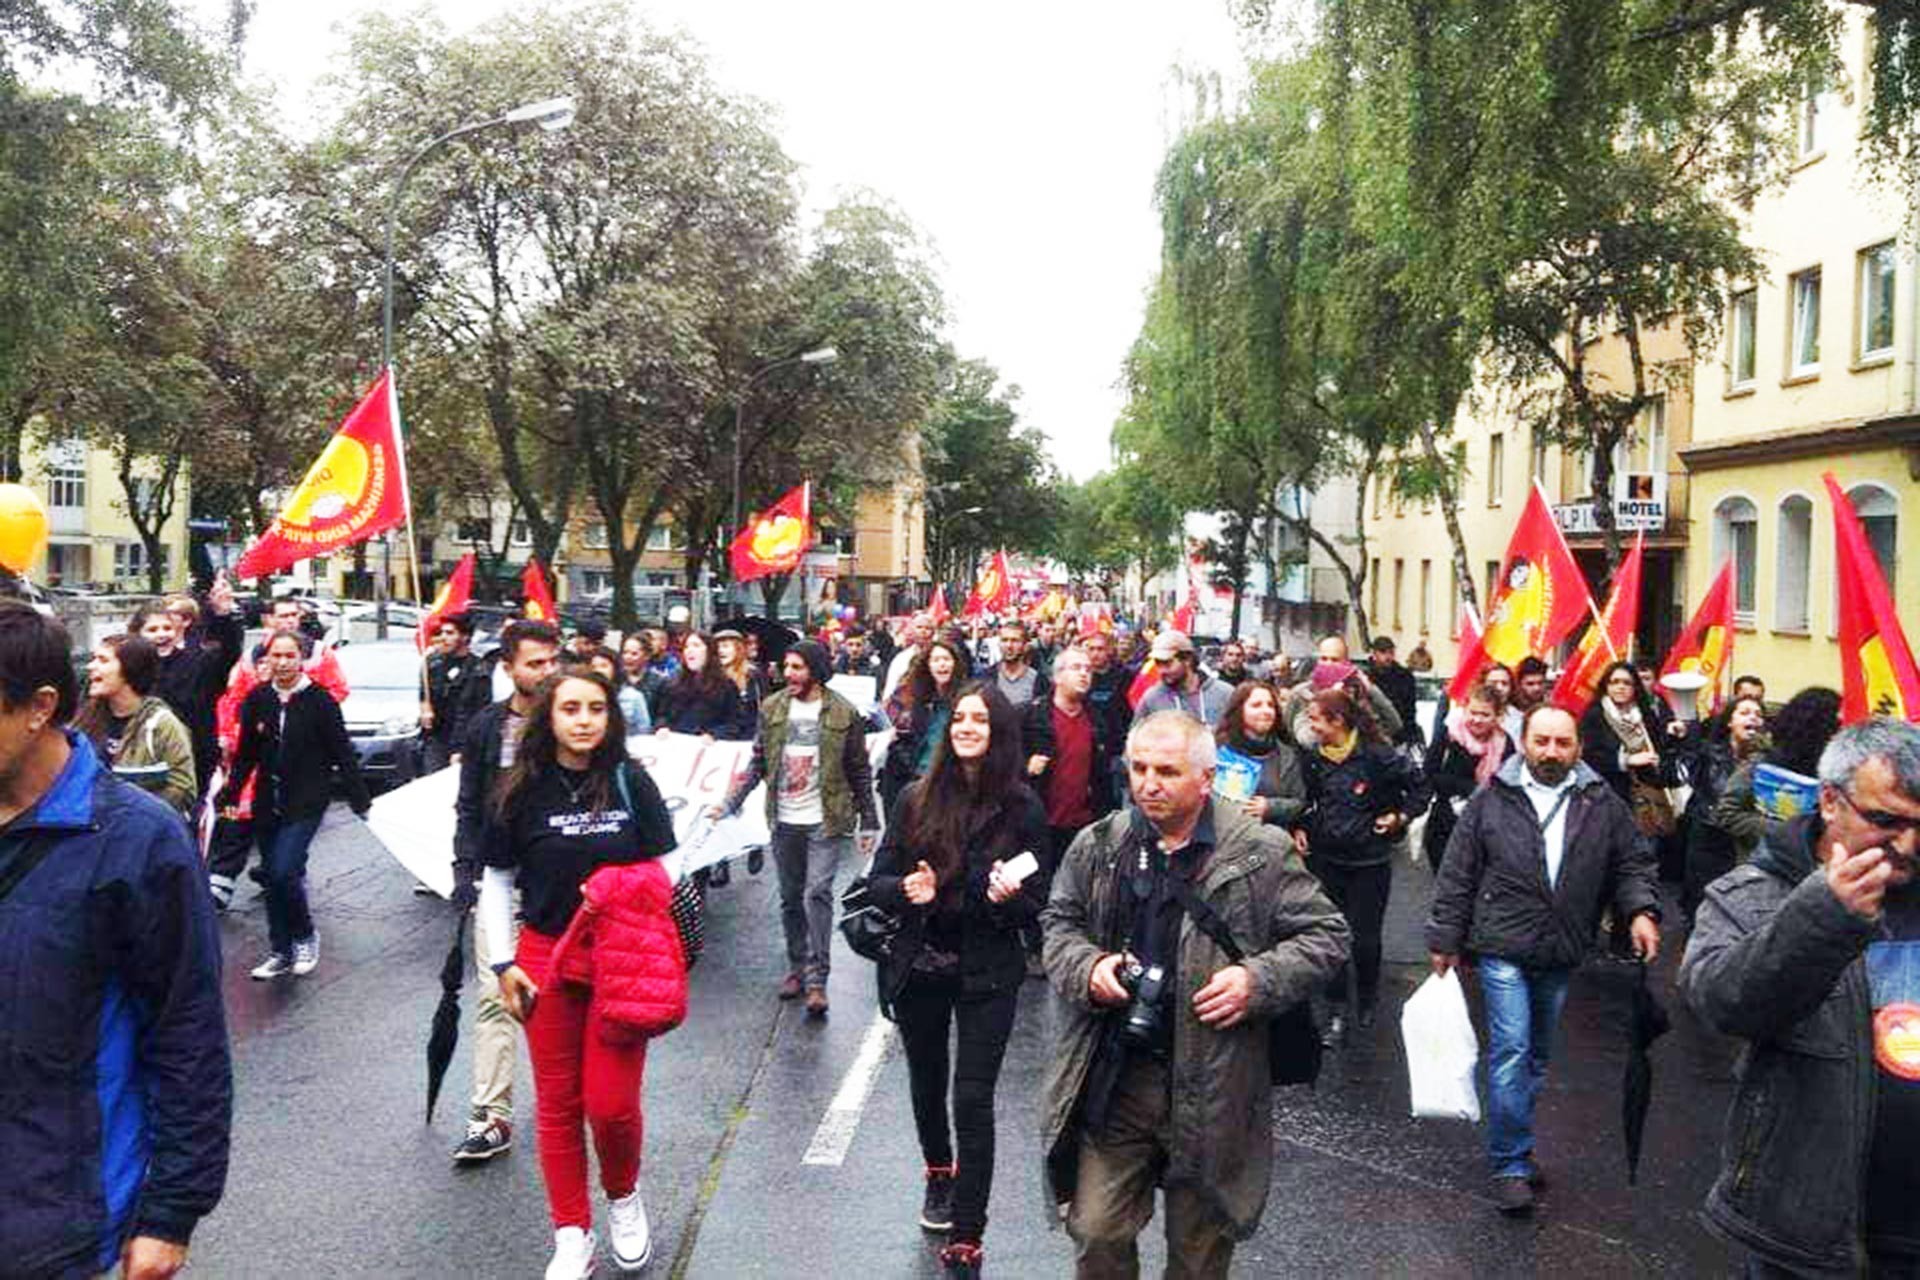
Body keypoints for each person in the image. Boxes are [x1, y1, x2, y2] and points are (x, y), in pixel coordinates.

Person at [1041, 711, 1350, 1279]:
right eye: (1138, 768)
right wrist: (1089, 967)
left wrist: (1258, 980)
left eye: (1166, 771)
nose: (1148, 784)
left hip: (1215, 1085)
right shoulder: (1101, 843)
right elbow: (1058, 923)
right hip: (1119, 1078)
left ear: (1206, 778)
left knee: (1199, 1255)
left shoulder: (1259, 850)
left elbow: (1328, 935)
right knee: (1096, 1231)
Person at [0, 603, 231, 1280]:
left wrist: (170, 1213)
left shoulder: (139, 841)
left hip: (59, 1223)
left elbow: (188, 1033)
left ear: (39, 707)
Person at [1680, 718, 1920, 1277]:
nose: (1908, 844)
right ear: (1832, 802)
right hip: (1816, 1234)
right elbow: (1719, 1003)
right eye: (1886, 821)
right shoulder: (1752, 895)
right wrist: (1822, 919)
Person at [479, 668, 678, 1280]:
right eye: (571, 708)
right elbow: (498, 879)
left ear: (610, 717)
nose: (584, 718)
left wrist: (618, 885)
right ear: (550, 716)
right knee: (559, 1104)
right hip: (544, 960)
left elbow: (670, 869)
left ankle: (623, 1197)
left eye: (596, 707)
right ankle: (571, 1231)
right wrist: (503, 962)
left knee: (610, 1105)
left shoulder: (631, 782)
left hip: (621, 961)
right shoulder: (519, 789)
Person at [1426, 704, 1661, 1215]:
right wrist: (1444, 938)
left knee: (1535, 1054)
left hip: (1562, 946)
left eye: (1562, 743)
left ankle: (1519, 1139)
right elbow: (1458, 872)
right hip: (1502, 945)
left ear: (1577, 747)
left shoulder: (1601, 802)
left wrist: (1641, 910)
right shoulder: (1494, 799)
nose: (1551, 752)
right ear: (1524, 742)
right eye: (1541, 741)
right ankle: (1509, 1162)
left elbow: (1632, 863)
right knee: (1511, 1048)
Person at [866, 684, 1049, 1279]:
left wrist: (1010, 898)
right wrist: (905, 890)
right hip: (922, 963)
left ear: (998, 732)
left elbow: (1040, 903)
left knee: (972, 1099)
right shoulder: (916, 798)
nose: (968, 727)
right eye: (960, 719)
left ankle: (968, 1233)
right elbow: (878, 880)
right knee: (927, 1079)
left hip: (988, 970)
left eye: (980, 719)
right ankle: (937, 1171)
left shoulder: (1023, 807)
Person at [714, 639, 876, 1014]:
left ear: (816, 670)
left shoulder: (843, 712)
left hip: (826, 817)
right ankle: (797, 968)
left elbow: (859, 770)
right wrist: (730, 802)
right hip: (784, 818)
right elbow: (757, 764)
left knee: (816, 893)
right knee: (790, 897)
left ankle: (818, 980)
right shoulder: (771, 708)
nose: (788, 674)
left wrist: (869, 820)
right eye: (786, 667)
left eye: (797, 667)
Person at [450, 619, 561, 1164]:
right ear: (509, 667)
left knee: (563, 1001)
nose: (544, 672)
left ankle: (571, 1107)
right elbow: (469, 802)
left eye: (550, 661)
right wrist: (463, 869)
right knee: (497, 1000)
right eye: (533, 663)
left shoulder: (572, 720)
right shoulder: (485, 728)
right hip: (498, 882)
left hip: (559, 889)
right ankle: (491, 1115)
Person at [217, 630, 372, 980]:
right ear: (266, 659)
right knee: (272, 875)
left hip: (306, 799)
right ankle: (280, 950)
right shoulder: (258, 698)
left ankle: (304, 935)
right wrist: (230, 791)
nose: (283, 663)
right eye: (276, 656)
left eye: (290, 656)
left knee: (285, 869)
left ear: (302, 659)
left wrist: (359, 798)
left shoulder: (320, 701)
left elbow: (341, 752)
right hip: (267, 799)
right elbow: (247, 754)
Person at [1296, 685, 1428, 1039]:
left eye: (1316, 720)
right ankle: (1336, 1007)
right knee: (1332, 936)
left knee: (1365, 939)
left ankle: (1367, 996)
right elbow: (1305, 800)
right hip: (1326, 861)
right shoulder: (1312, 757)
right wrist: (1301, 826)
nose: (1311, 728)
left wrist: (1400, 816)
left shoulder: (1377, 755)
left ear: (1337, 720)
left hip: (1370, 862)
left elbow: (1420, 787)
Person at [131, 573, 242, 802]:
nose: (161, 635)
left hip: (193, 757)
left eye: (166, 628)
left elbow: (227, 655)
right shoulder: (128, 668)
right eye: (153, 630)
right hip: (142, 761)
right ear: (137, 633)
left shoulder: (197, 661)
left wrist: (223, 615)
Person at [1580, 660, 1687, 881]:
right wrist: (1627, 760)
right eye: (1614, 682)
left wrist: (1670, 734)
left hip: (1645, 799)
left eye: (1627, 683)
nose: (1620, 687)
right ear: (1606, 686)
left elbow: (1658, 746)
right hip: (1607, 798)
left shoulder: (1644, 714)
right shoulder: (1594, 715)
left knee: (1642, 860)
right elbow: (1588, 756)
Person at [1713, 686, 1842, 863]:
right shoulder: (1762, 762)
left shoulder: (1831, 769)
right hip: (1762, 866)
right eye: (1835, 724)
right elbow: (1728, 813)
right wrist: (1782, 829)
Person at [73, 633, 198, 816]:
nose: (91, 666)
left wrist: (133, 816)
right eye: (94, 659)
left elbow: (183, 789)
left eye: (103, 660)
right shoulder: (83, 719)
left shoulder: (162, 725)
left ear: (129, 670)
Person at [1025, 644, 1122, 865]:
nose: (1083, 674)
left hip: (1084, 826)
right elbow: (1007, 764)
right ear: (1057, 676)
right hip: (1041, 824)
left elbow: (1106, 774)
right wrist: (1026, 766)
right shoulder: (1031, 716)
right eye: (1076, 668)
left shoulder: (1098, 720)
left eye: (1088, 669)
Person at [1679, 692, 1767, 927]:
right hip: (1709, 841)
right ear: (1730, 721)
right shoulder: (1708, 753)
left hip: (1745, 847)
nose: (1753, 718)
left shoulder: (1767, 762)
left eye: (1759, 715)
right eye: (1745, 713)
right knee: (1701, 909)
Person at [1421, 678, 1512, 874]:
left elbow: (1508, 785)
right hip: (1445, 824)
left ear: (1498, 716)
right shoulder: (1449, 734)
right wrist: (1469, 788)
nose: (1477, 719)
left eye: (1485, 714)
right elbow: (1429, 773)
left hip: (1486, 826)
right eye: (1473, 712)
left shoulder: (1504, 744)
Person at [883, 636, 966, 811]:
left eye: (946, 659)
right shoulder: (911, 697)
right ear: (928, 665)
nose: (942, 664)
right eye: (936, 660)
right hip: (915, 778)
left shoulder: (966, 698)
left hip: (950, 782)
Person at [1212, 679, 1307, 829]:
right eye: (1256, 705)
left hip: (1272, 841)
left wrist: (1270, 807)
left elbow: (1300, 802)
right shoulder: (1217, 749)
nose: (1266, 711)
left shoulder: (1287, 754)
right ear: (1239, 710)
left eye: (1270, 705)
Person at [421, 613, 497, 774]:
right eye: (441, 633)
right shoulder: (434, 664)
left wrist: (460, 749)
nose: (443, 638)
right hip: (436, 740)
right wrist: (425, 706)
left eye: (450, 633)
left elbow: (475, 713)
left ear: (464, 637)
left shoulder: (479, 670)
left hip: (464, 743)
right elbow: (425, 690)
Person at [653, 632, 744, 738]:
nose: (690, 650)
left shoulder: (726, 685)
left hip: (709, 747)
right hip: (676, 743)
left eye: (696, 646)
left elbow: (734, 723)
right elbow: (661, 715)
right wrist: (662, 727)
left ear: (709, 651)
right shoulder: (672, 683)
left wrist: (714, 734)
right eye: (686, 647)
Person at [1135, 629, 1233, 727]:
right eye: (1158, 663)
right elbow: (1135, 738)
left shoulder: (1225, 694)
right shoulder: (1152, 699)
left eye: (1167, 663)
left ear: (1187, 660)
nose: (1161, 670)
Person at [585, 646, 650, 734]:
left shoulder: (633, 697)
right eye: (593, 667)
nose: (598, 671)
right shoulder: (583, 696)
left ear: (615, 669)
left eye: (603, 666)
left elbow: (643, 730)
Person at [991, 619, 1050, 709]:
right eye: (1004, 640)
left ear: (1025, 646)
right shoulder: (987, 677)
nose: (1009, 646)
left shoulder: (1039, 681)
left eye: (1015, 641)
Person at [883, 611, 935, 703]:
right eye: (919, 627)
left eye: (928, 628)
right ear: (912, 630)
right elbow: (890, 690)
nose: (923, 631)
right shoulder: (901, 658)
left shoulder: (938, 656)